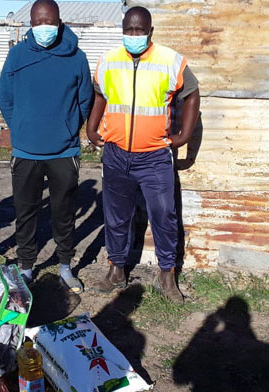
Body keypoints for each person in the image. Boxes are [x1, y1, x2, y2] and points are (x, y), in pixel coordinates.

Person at [86, 6, 200, 303]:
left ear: (150, 32)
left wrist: (184, 136)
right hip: (116, 153)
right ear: (122, 29)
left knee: (164, 215)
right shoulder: (109, 60)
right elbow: (100, 94)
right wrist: (91, 126)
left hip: (154, 157)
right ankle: (117, 269)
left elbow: (191, 94)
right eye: (129, 30)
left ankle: (167, 273)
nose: (133, 36)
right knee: (116, 216)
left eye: (139, 31)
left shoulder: (170, 61)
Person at [0, 0, 93, 292]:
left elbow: (84, 100)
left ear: (59, 22)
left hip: (64, 152)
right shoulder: (17, 55)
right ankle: (27, 267)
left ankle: (65, 266)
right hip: (26, 152)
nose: (44, 28)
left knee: (63, 212)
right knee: (25, 212)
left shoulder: (77, 57)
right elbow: (6, 99)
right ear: (30, 24)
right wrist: (23, 129)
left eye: (49, 22)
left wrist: (66, 129)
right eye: (38, 22)